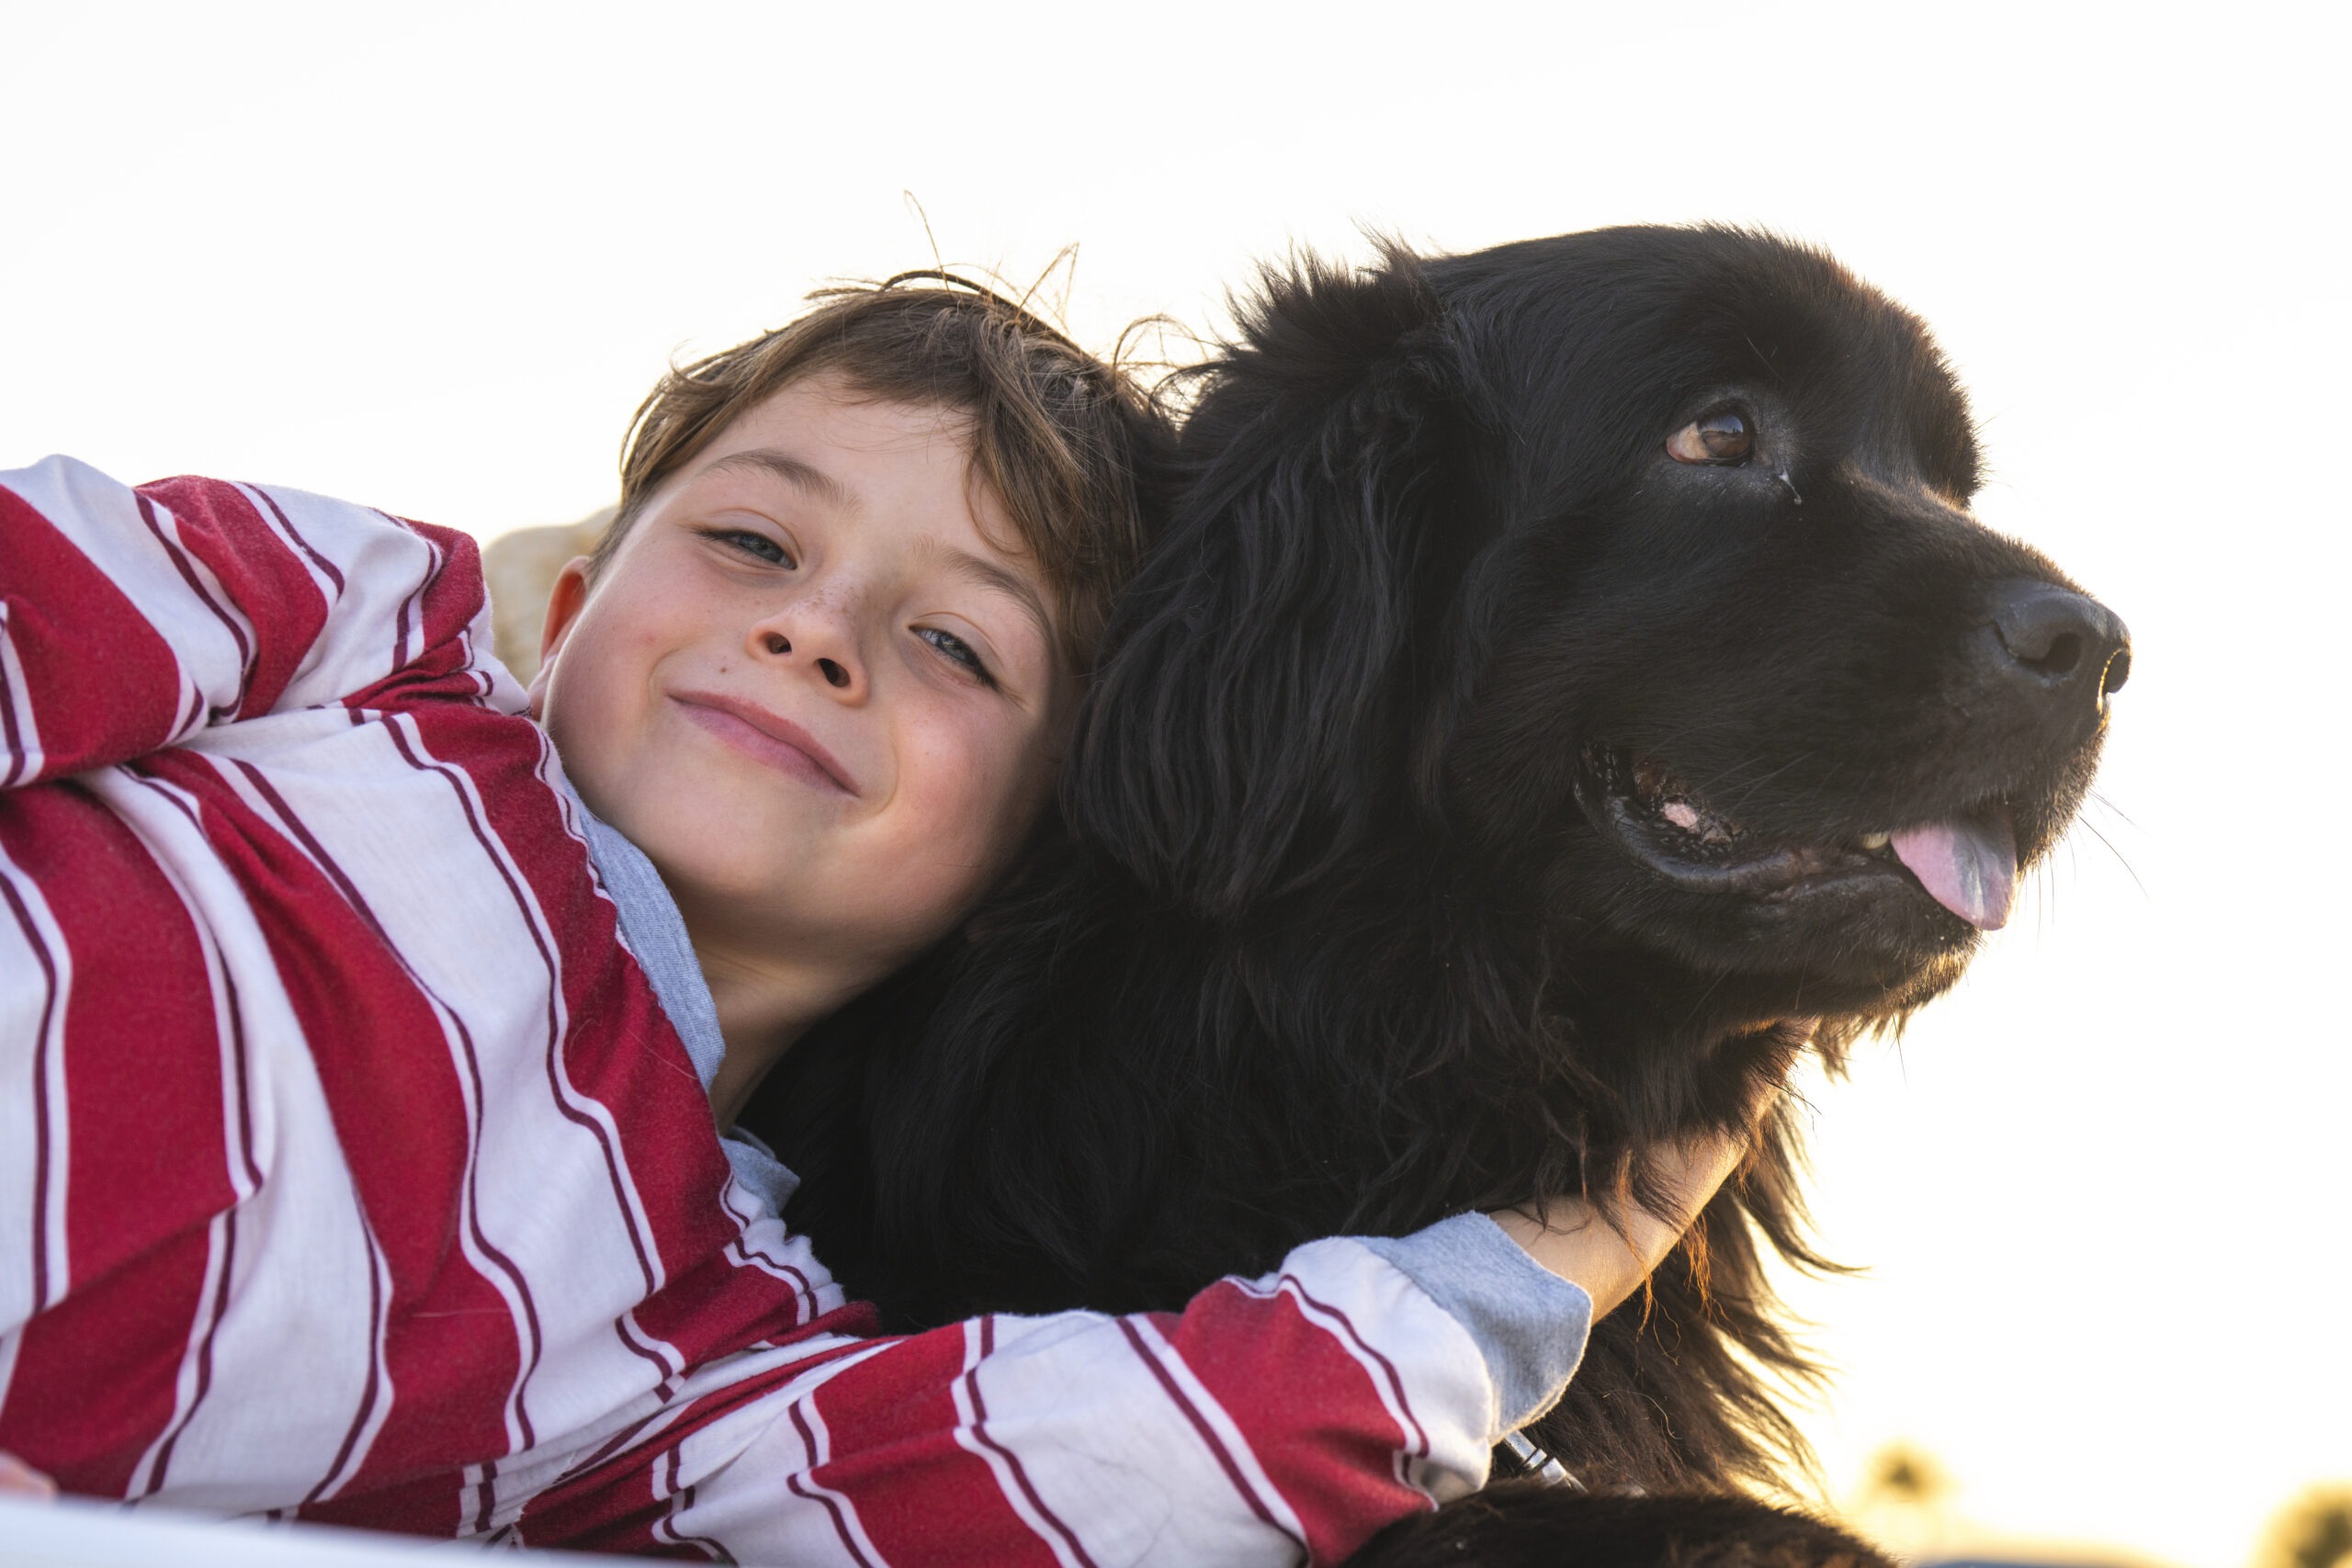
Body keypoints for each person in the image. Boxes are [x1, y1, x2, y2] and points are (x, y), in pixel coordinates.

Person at [0, 278, 1760, 1564]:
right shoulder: (365, 644)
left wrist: (1542, 1264)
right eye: (757, 543)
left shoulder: (701, 1323)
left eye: (956, 648)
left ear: (1029, 857)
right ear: (568, 597)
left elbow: (1118, 1466)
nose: (818, 631)